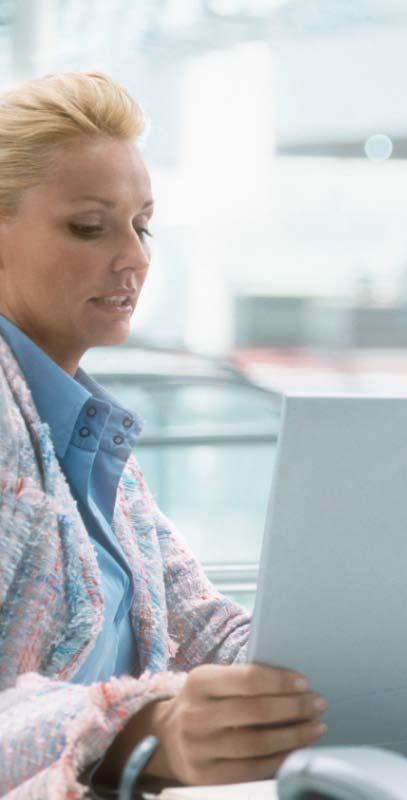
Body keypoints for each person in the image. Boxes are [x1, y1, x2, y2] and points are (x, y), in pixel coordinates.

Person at [0, 73, 326, 798]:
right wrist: (146, 731)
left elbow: (203, 628)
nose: (135, 257)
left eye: (141, 225)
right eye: (90, 227)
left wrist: (353, 652)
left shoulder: (82, 431)